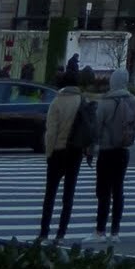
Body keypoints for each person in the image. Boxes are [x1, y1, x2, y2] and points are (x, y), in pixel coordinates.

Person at [95, 67, 135, 242]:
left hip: (106, 151)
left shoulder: (106, 101)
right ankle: (116, 231)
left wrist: (94, 146)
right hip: (123, 151)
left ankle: (100, 230)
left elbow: (97, 126)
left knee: (103, 192)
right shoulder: (133, 100)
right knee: (118, 190)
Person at [39, 74, 90, 242]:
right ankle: (61, 233)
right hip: (75, 152)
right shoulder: (82, 101)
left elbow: (51, 132)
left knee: (50, 194)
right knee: (68, 194)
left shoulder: (57, 102)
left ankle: (44, 232)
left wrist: (49, 153)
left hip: (58, 152)